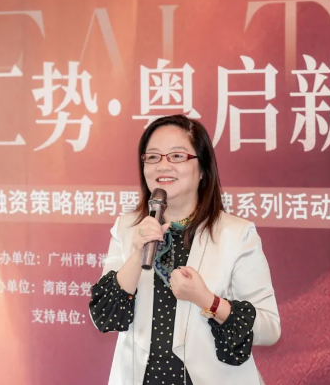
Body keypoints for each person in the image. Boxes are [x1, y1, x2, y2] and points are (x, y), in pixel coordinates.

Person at [89, 115, 281, 385]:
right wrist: (137, 253)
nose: (162, 165)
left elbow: (270, 329)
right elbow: (104, 317)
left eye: (177, 156)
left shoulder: (236, 234)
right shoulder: (127, 228)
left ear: (202, 169)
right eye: (152, 157)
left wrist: (208, 300)